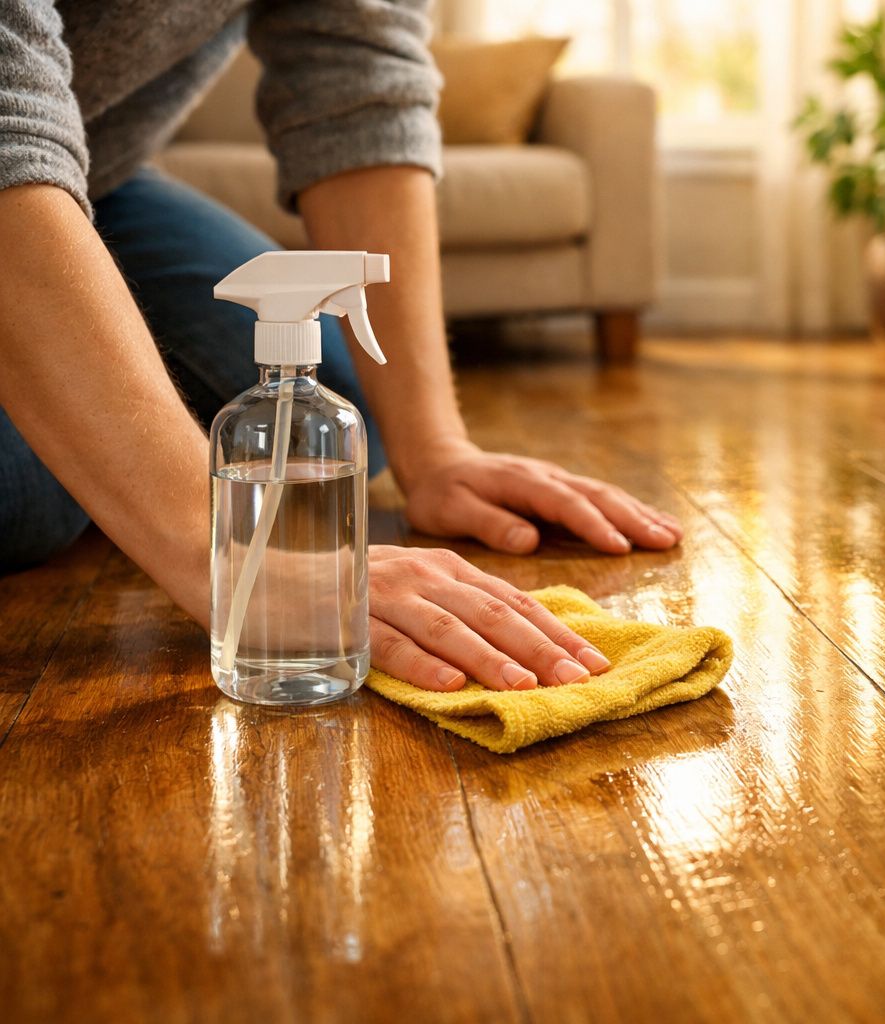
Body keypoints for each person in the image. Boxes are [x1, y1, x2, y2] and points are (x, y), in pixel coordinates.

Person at [0, 0, 682, 693]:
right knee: (32, 498)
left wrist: (436, 450)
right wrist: (225, 561)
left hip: (104, 167)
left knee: (339, 410)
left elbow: (355, 64)